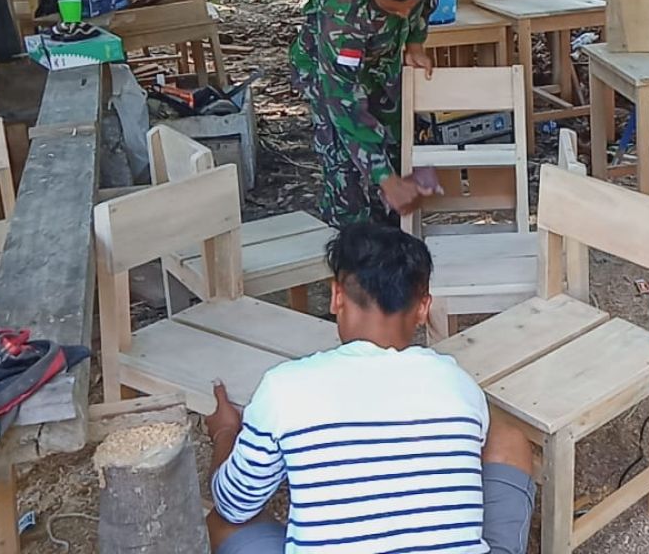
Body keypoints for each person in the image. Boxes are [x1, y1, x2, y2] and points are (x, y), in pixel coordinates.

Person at [205, 223, 536, 554]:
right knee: (506, 436)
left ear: (337, 297)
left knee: (221, 523)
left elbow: (234, 506)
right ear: (422, 308)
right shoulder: (457, 383)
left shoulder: (283, 389)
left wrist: (225, 434)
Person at [291, 0, 442, 228]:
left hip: (381, 60)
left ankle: (390, 232)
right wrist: (384, 178)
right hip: (328, 71)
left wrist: (414, 41)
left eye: (407, 8)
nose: (401, 15)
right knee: (344, 168)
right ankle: (350, 244)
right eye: (390, 9)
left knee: (394, 143)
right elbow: (344, 102)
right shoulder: (342, 11)